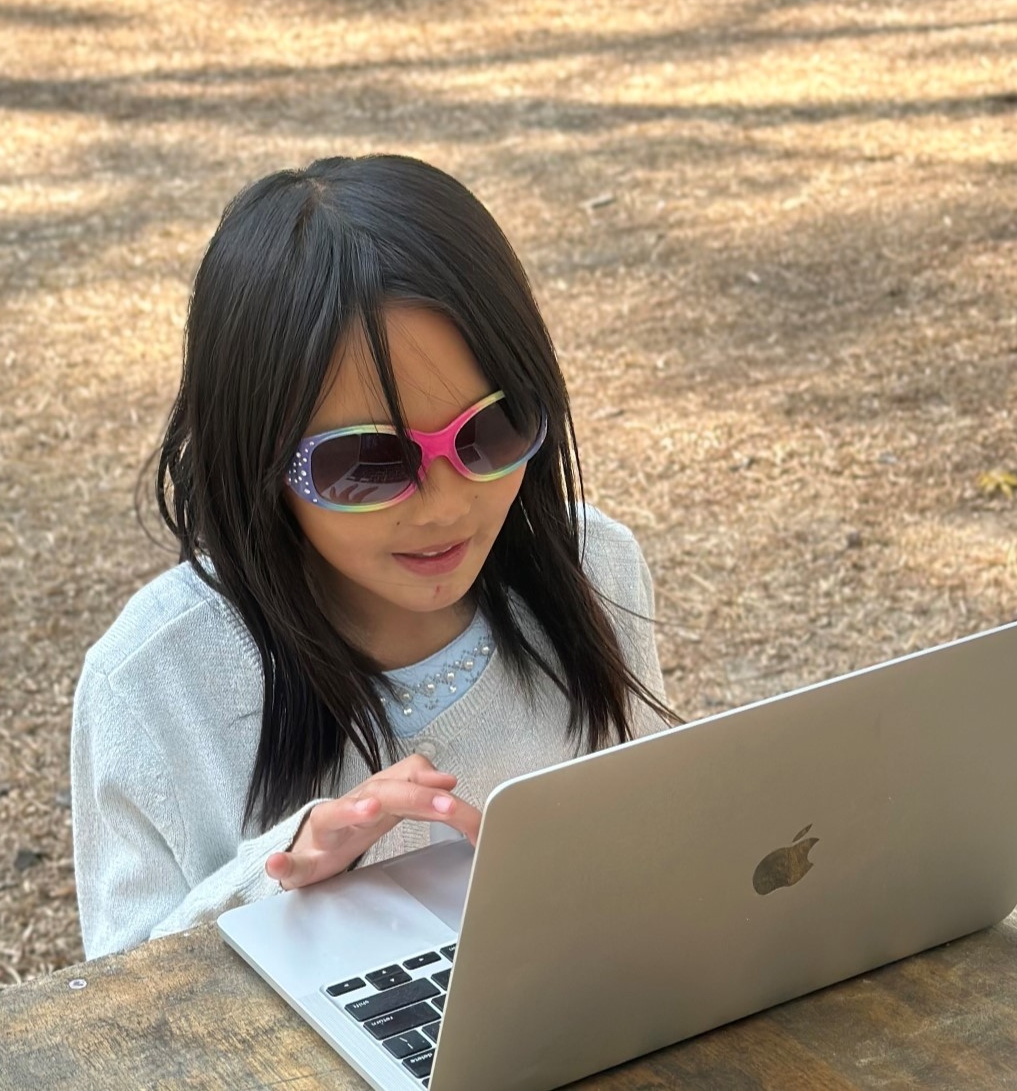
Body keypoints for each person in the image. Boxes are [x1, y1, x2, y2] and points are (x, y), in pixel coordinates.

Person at [71, 154, 674, 960]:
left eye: (489, 432)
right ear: (256, 459)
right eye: (366, 462)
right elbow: (115, 1012)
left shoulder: (594, 566)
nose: (445, 502)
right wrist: (277, 878)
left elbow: (655, 848)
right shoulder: (156, 682)